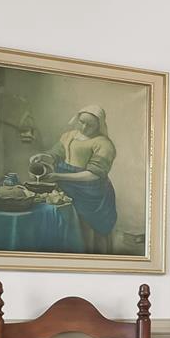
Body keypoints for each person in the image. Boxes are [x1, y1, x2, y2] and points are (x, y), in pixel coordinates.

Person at [35, 106, 120, 254]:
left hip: (92, 193)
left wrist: (58, 176)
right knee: (69, 227)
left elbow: (94, 174)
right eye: (81, 122)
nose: (84, 127)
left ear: (98, 125)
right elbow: (56, 155)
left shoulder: (104, 144)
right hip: (66, 188)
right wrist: (44, 157)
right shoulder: (68, 136)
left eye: (90, 125)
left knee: (89, 232)